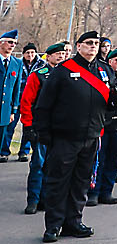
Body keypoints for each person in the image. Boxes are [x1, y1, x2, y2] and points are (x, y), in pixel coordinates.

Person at [33, 30, 112, 242]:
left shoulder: (104, 70)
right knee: (58, 182)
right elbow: (43, 105)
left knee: (81, 182)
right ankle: (53, 225)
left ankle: (74, 221)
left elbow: (109, 101)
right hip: (65, 137)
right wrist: (44, 134)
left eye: (96, 43)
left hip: (91, 136)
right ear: (79, 46)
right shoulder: (63, 71)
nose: (93, 46)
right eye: (88, 43)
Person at [19, 41, 68, 214]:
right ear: (48, 56)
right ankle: (34, 199)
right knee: (38, 164)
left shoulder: (69, 74)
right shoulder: (39, 75)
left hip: (60, 128)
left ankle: (47, 199)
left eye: (63, 54)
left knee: (54, 166)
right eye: (57, 54)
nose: (61, 57)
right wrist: (28, 125)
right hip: (41, 127)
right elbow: (26, 101)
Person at [92, 47, 117, 204]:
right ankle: (93, 192)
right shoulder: (102, 75)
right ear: (110, 62)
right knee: (98, 160)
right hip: (103, 123)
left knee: (114, 161)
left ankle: (107, 192)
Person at [0, 28, 23, 161]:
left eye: (15, 43)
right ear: (1, 43)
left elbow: (16, 88)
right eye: (9, 42)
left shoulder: (16, 63)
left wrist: (13, 110)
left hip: (5, 110)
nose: (12, 45)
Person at [14, 43, 38, 158]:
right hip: (18, 99)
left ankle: (24, 151)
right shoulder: (18, 64)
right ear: (23, 54)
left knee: (27, 127)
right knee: (11, 127)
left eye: (32, 52)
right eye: (27, 53)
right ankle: (4, 151)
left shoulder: (40, 64)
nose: (30, 55)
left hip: (31, 101)